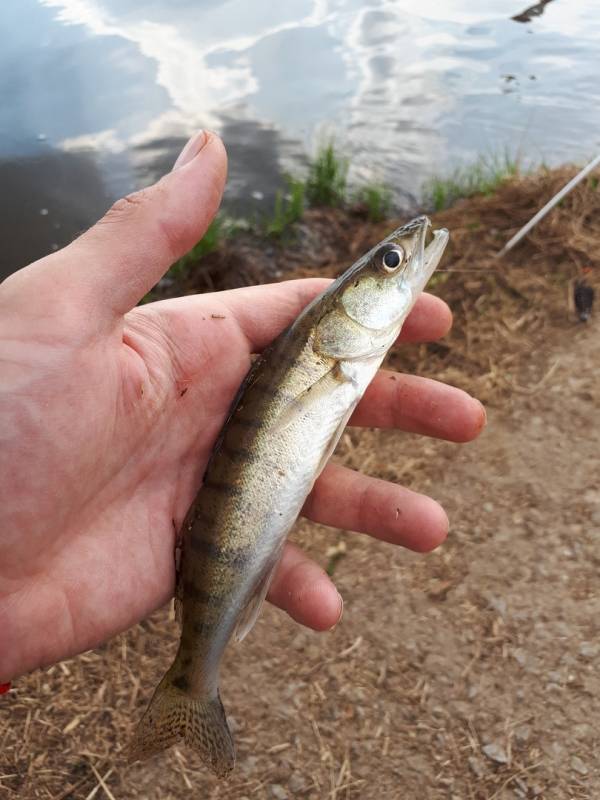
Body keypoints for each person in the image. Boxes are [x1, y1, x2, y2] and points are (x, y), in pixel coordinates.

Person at [0, 131, 485, 686]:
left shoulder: (335, 356)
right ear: (339, 321)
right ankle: (193, 681)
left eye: (391, 259)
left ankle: (193, 674)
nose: (406, 259)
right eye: (392, 262)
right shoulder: (328, 353)